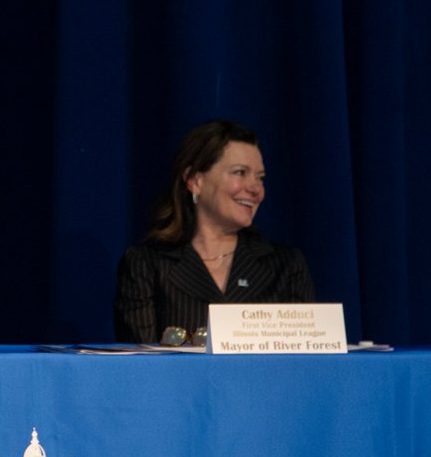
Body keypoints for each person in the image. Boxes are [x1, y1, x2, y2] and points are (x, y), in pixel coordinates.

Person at [113, 120, 315, 344]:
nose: (255, 188)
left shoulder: (286, 266)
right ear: (194, 181)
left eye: (260, 177)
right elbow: (140, 366)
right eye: (240, 172)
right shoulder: (147, 265)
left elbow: (302, 363)